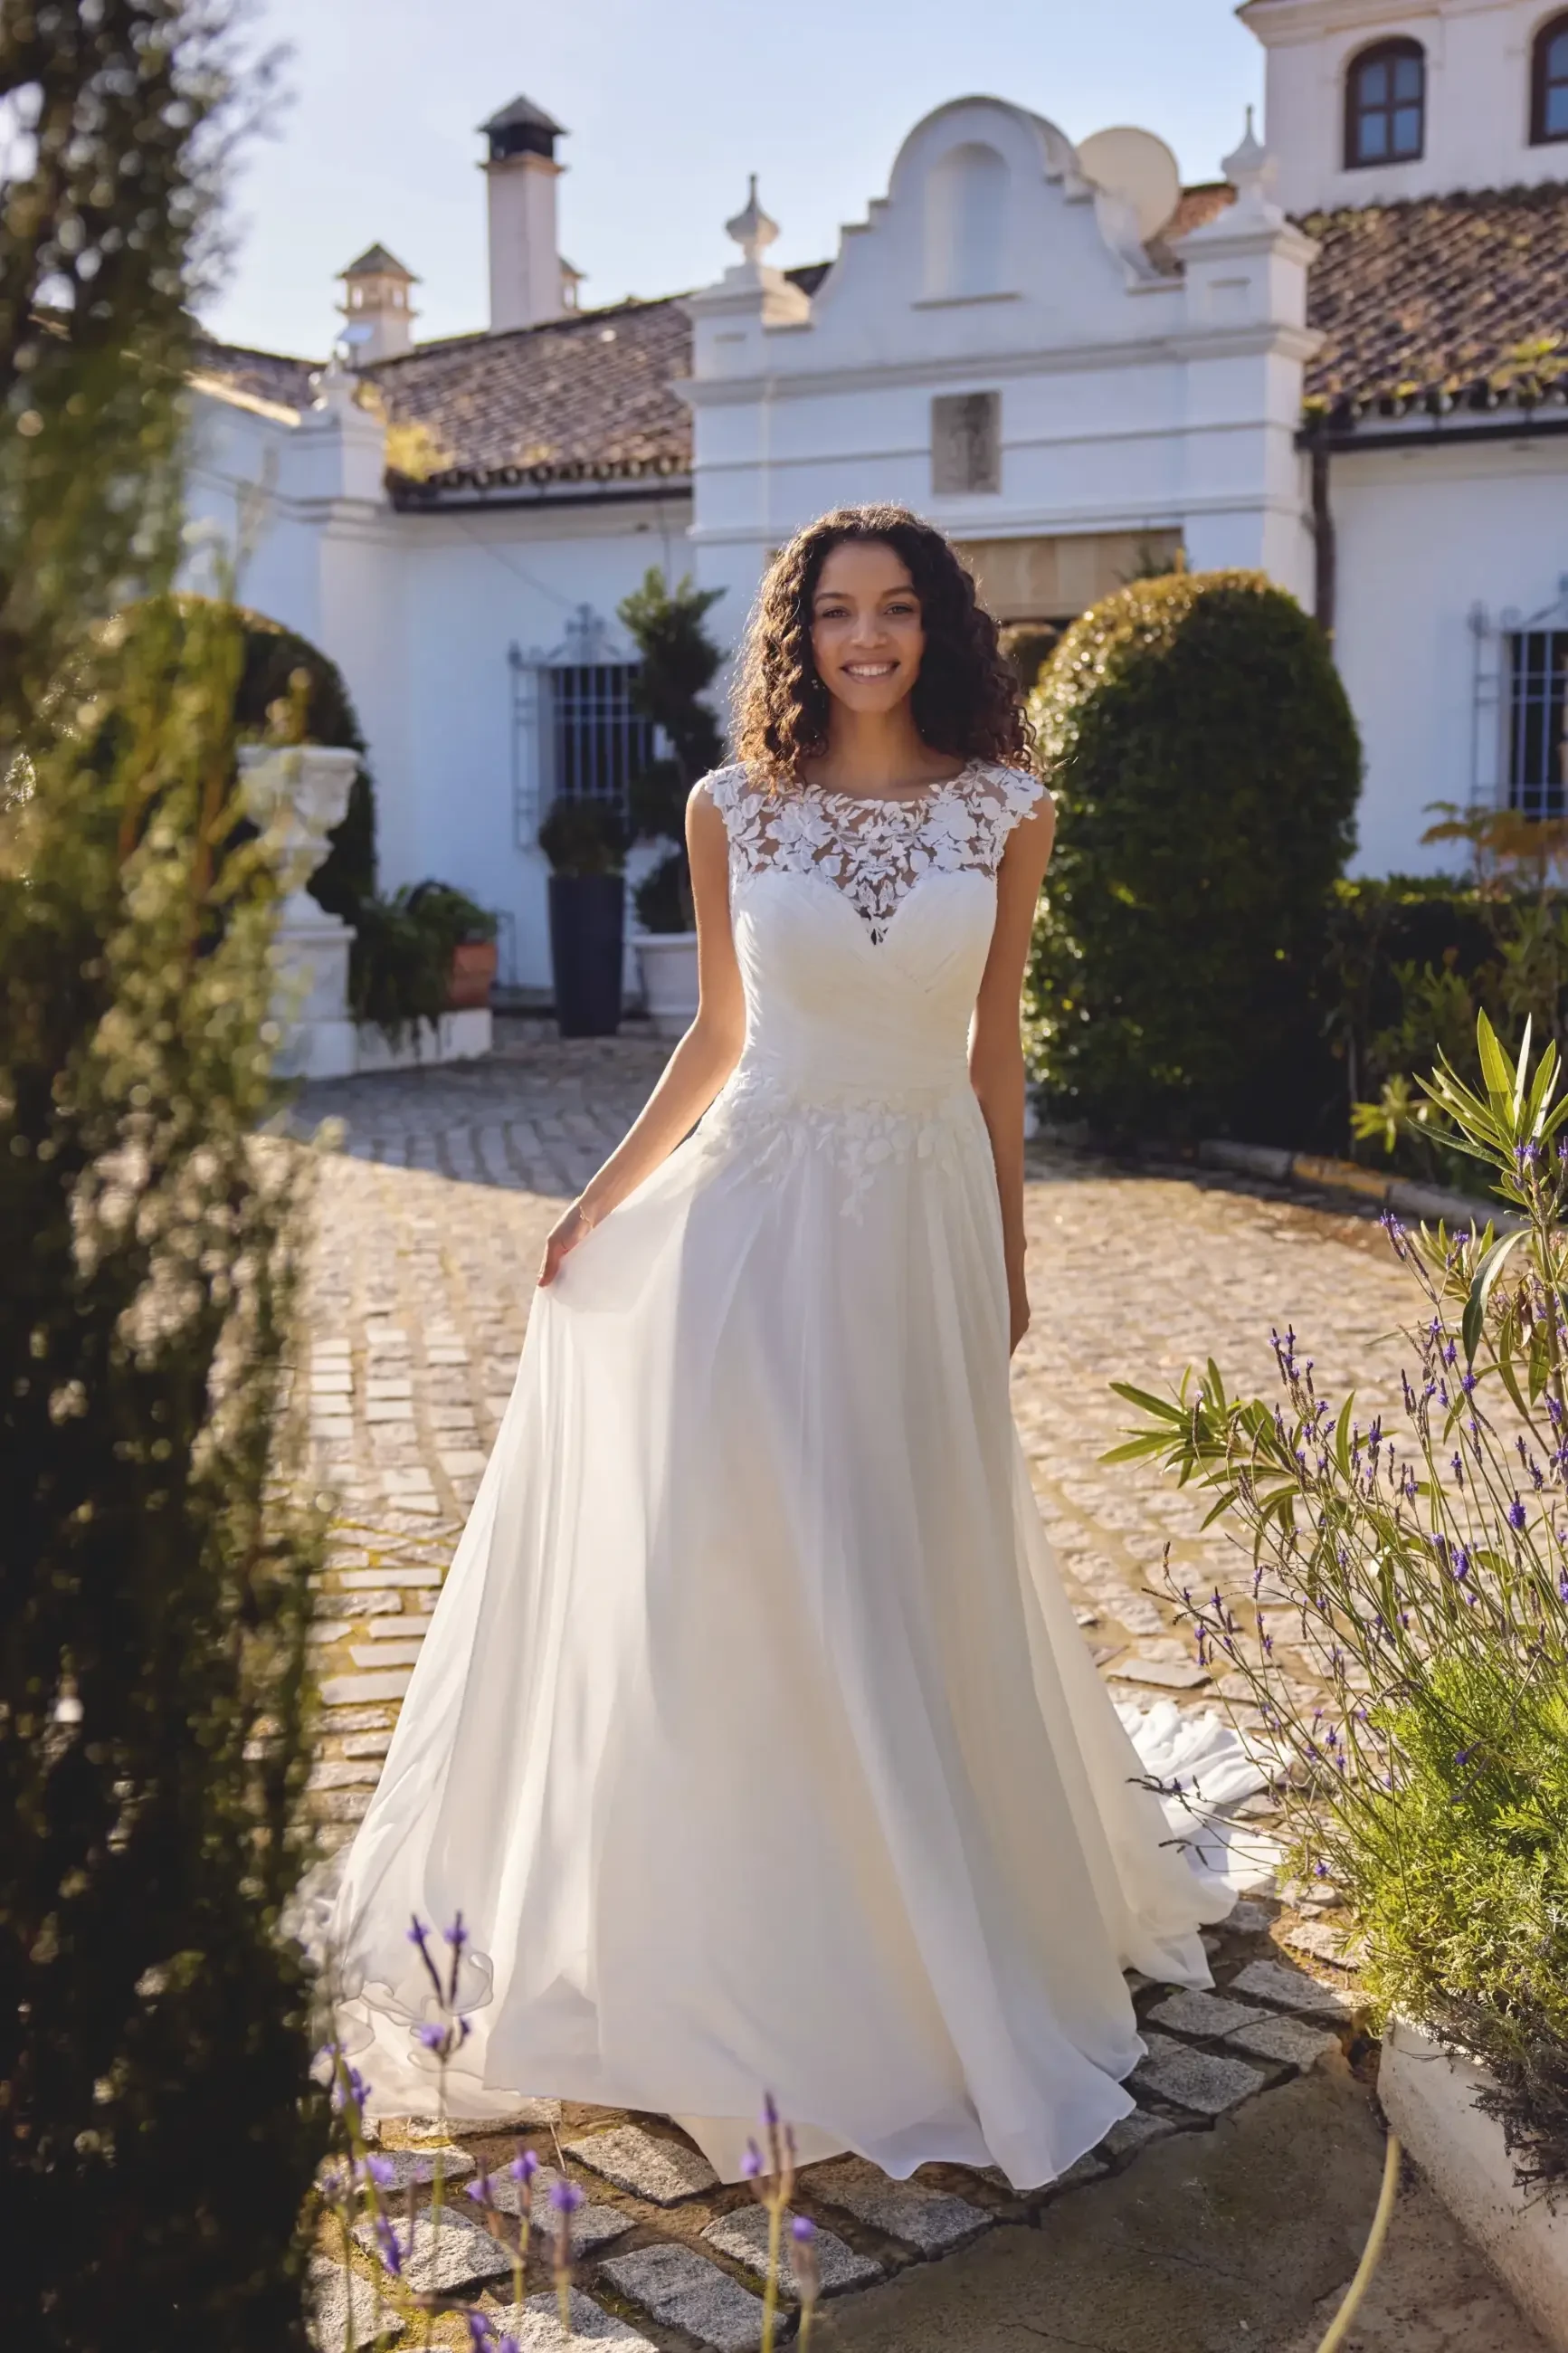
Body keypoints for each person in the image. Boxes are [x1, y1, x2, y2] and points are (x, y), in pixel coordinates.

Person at [329, 503, 1234, 2190]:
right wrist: (599, 1200)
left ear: (938, 626)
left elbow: (995, 1050)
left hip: (919, 1230)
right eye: (835, 613)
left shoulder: (1006, 808)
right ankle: (732, 1928)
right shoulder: (731, 807)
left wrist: (1011, 1252)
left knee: (902, 1559)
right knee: (749, 1560)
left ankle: (920, 1913)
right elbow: (723, 1037)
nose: (866, 638)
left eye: (896, 610)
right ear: (797, 633)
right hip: (751, 1227)